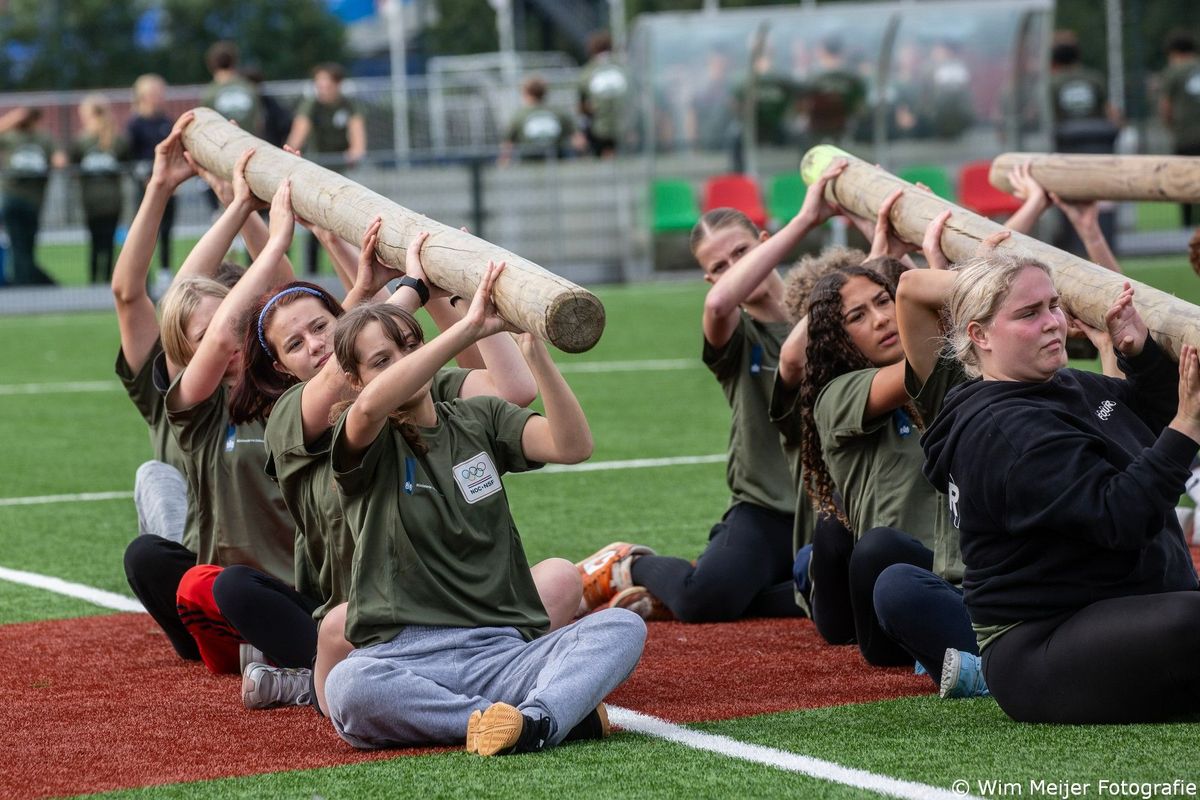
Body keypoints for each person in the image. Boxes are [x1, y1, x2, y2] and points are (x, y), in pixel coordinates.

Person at [217, 223, 579, 715]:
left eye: (321, 327)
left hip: (454, 599)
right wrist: (413, 288)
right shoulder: (296, 410)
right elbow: (357, 387)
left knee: (560, 579)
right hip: (368, 605)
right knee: (327, 624)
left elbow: (512, 392)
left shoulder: (419, 388)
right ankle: (358, 684)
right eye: (295, 344)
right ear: (281, 366)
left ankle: (475, 679)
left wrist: (460, 292)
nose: (315, 344)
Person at [322, 268, 646, 754]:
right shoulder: (362, 436)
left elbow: (572, 445)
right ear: (355, 379)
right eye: (381, 360)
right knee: (350, 686)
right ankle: (521, 717)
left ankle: (531, 719)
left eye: (410, 348)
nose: (402, 364)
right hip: (406, 657)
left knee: (621, 627)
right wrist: (467, 328)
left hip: (502, 651)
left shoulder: (480, 418)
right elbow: (370, 408)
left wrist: (537, 357)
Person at [922, 256, 1200, 723]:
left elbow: (1143, 417)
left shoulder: (1059, 384)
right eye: (1029, 314)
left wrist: (1140, 354)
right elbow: (1121, 517)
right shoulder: (1005, 431)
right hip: (1044, 645)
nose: (1052, 323)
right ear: (980, 335)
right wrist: (1189, 422)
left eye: (1053, 305)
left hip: (1118, 609)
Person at [575, 167, 857, 624]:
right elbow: (718, 306)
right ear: (710, 280)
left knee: (842, 597)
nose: (735, 270)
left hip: (829, 506)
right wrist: (806, 220)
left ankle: (709, 588)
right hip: (764, 508)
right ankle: (629, 566)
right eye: (720, 268)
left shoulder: (825, 315)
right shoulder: (735, 334)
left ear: (766, 243)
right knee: (706, 601)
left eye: (743, 253)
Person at [122, 152, 295, 676]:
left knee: (236, 586)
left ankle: (274, 654)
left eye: (236, 320)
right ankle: (215, 639)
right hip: (218, 569)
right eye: (208, 333)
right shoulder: (194, 402)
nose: (226, 340)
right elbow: (143, 296)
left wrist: (254, 212)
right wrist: (237, 203)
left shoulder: (286, 385)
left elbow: (292, 300)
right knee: (161, 537)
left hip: (291, 577)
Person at [286, 62, 366, 275]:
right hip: (317, 174)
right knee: (315, 224)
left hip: (340, 174)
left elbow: (357, 132)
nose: (322, 88)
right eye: (318, 84)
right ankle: (313, 274)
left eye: (326, 84)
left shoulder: (347, 104)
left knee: (342, 223)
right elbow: (300, 130)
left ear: (337, 85)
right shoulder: (312, 104)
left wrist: (356, 150)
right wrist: (290, 152)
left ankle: (342, 271)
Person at [0, 107, 66, 286]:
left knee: (26, 246)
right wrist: (12, 119)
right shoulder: (10, 136)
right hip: (11, 198)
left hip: (33, 201)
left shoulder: (44, 138)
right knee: (17, 245)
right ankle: (26, 284)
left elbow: (60, 160)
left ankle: (30, 283)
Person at [72, 94, 129, 284]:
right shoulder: (83, 141)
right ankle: (105, 281)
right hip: (106, 202)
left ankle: (96, 282)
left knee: (97, 243)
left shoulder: (114, 140)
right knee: (105, 243)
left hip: (97, 202)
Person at [127, 74, 177, 284]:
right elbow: (130, 158)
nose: (160, 97)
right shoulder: (135, 125)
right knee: (146, 232)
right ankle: (141, 276)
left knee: (166, 230)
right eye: (155, 93)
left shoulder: (167, 122)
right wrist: (148, 180)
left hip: (169, 186)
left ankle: (165, 274)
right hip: (146, 187)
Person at [1160, 31, 1200, 226]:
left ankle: (1186, 227)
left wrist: (1170, 126)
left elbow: (1166, 106)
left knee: (1184, 183)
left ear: (1173, 52)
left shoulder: (1173, 72)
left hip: (1185, 137)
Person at [499, 76, 576, 165]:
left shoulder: (519, 116)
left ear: (526, 93)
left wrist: (503, 161)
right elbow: (578, 140)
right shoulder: (560, 113)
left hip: (529, 164)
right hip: (556, 164)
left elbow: (508, 143)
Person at [576, 31, 628, 157]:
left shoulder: (587, 72)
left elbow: (582, 107)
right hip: (627, 127)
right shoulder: (624, 68)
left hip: (600, 131)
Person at [201, 41, 261, 134]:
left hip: (222, 145)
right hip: (250, 145)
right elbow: (259, 123)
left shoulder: (209, 93)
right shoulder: (249, 88)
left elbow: (205, 127)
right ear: (235, 61)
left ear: (210, 63)